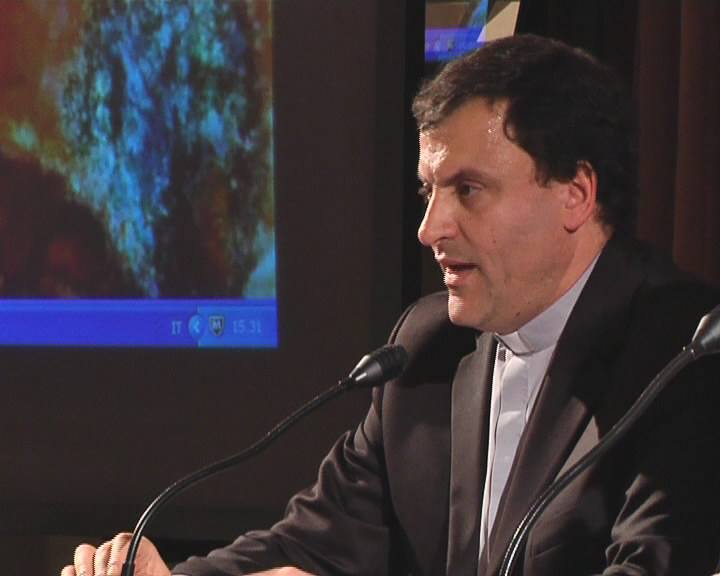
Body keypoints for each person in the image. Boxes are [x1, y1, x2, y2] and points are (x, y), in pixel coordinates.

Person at [62, 34, 720, 576]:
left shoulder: (686, 356)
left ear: (575, 193)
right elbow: (314, 546)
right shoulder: (426, 345)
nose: (429, 230)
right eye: (429, 191)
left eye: (468, 190)